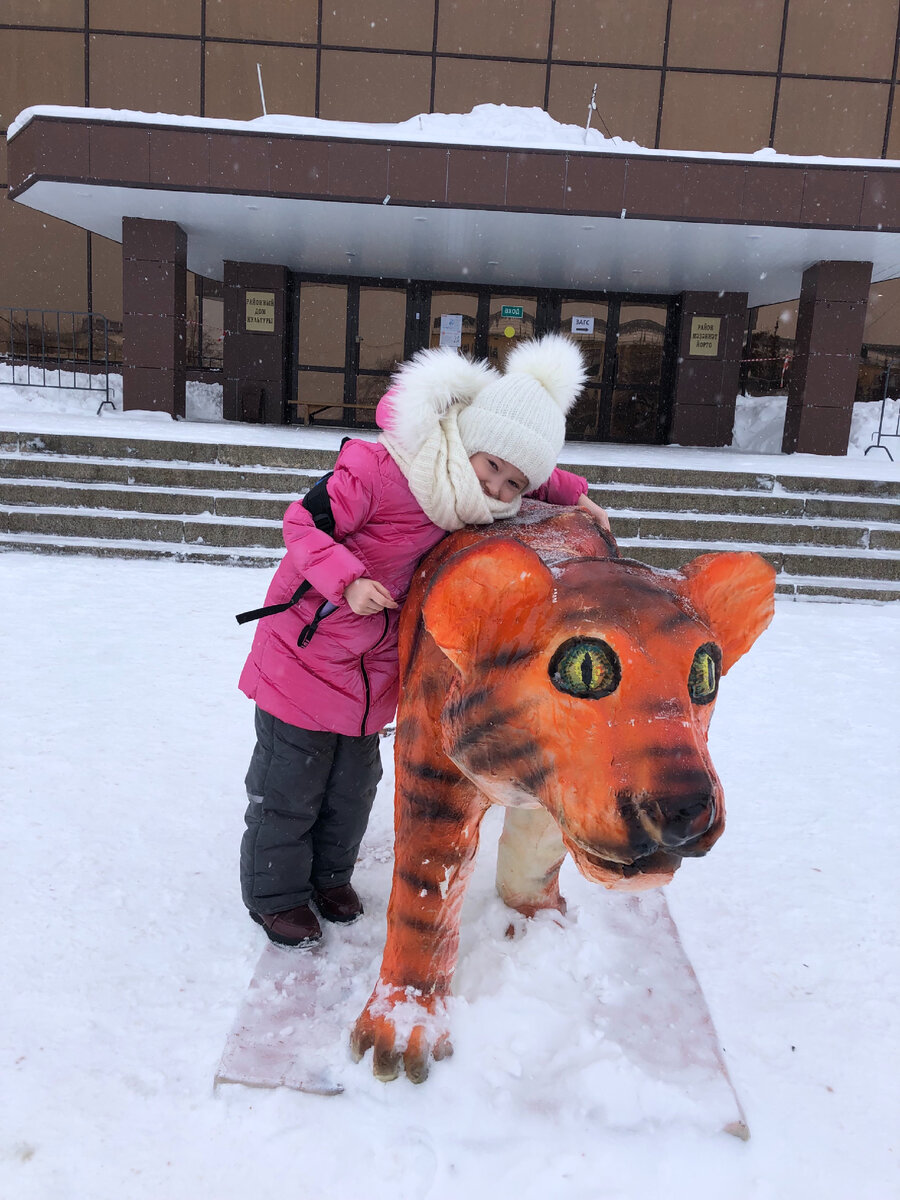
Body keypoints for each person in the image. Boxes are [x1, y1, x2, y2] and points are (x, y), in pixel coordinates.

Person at [238, 333, 611, 947]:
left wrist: (576, 495)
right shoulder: (382, 469)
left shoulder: (475, 490)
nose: (496, 491)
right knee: (290, 786)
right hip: (302, 655)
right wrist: (347, 582)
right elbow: (301, 524)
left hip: (370, 675)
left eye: (512, 485)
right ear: (466, 438)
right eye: (490, 468)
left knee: (351, 790)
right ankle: (276, 897)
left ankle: (330, 878)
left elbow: (522, 465)